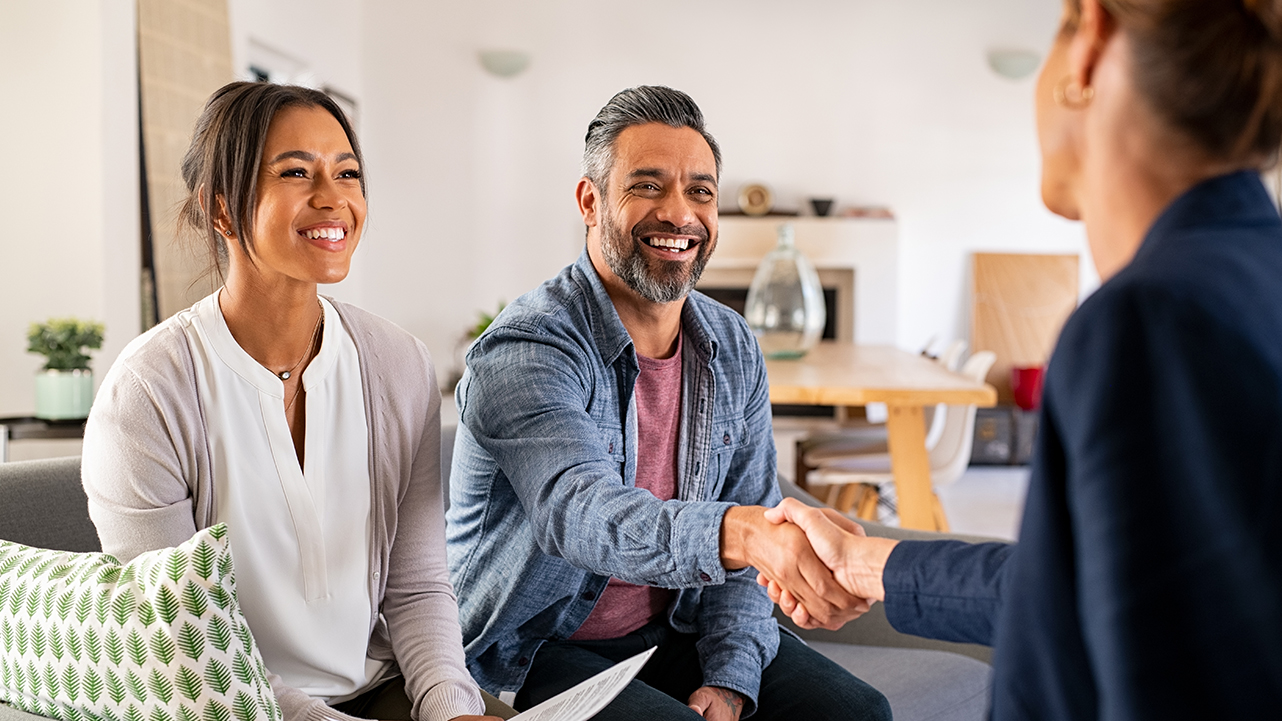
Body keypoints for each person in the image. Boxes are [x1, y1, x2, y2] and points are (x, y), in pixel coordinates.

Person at [758, 0, 1282, 718]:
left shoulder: (1149, 322)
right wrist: (865, 562)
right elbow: (1085, 590)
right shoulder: (1251, 276)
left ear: (1089, 41)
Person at [446, 86, 888, 721]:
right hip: (535, 646)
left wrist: (733, 673)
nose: (679, 214)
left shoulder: (730, 343)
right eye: (647, 187)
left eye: (700, 192)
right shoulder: (526, 349)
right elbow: (580, 510)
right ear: (590, 201)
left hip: (671, 627)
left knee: (858, 713)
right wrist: (742, 533)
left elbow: (750, 522)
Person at [81, 82, 506, 721]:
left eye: (348, 173)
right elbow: (184, 645)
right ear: (220, 210)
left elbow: (417, 587)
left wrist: (452, 707)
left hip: (374, 689)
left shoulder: (399, 365)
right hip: (222, 703)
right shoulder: (149, 391)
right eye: (295, 172)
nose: (333, 198)